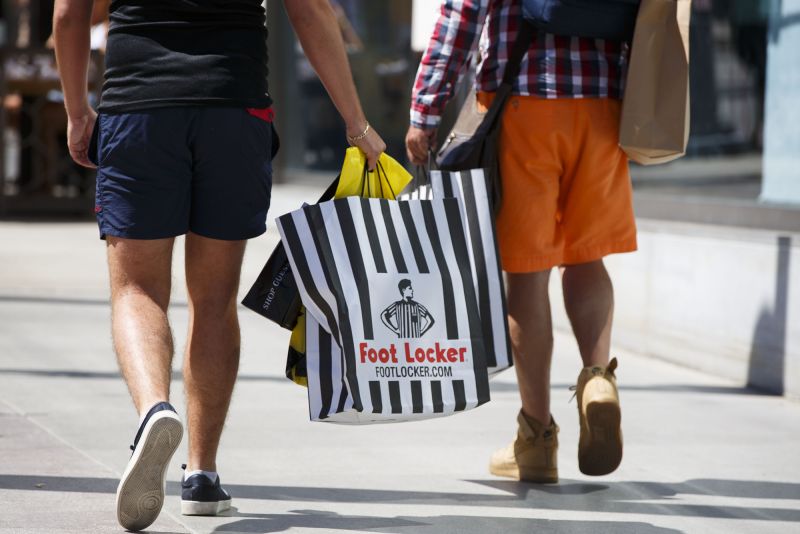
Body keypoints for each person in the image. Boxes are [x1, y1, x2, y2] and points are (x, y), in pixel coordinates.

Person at [53, 0, 385, 530]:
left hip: (139, 109)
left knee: (137, 290)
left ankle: (154, 411)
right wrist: (356, 124)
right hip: (235, 108)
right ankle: (202, 476)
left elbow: (69, 14)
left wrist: (76, 111)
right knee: (214, 300)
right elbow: (310, 12)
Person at [406, 0, 636, 483]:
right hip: (604, 109)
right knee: (586, 256)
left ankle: (536, 439)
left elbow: (461, 15)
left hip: (523, 101)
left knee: (527, 275)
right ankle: (598, 379)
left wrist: (426, 109)